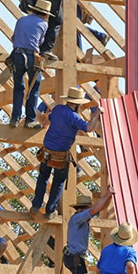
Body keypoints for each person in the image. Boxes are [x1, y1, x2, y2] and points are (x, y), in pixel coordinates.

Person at [28, 87, 100, 216]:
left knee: (43, 178)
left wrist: (43, 127)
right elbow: (89, 128)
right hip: (60, 155)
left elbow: (47, 122)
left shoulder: (57, 109)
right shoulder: (74, 117)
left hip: (47, 151)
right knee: (58, 182)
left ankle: (35, 205)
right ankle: (50, 211)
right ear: (78, 103)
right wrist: (98, 114)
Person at [55, 189, 114, 274]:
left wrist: (109, 196)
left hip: (72, 257)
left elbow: (100, 208)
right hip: (75, 257)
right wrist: (106, 194)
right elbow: (94, 209)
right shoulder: (78, 218)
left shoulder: (80, 218)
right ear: (84, 209)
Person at [9, 0, 53, 127]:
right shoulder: (43, 24)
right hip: (32, 56)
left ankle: (15, 118)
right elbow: (39, 42)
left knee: (18, 87)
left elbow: (14, 38)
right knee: (34, 88)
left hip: (17, 54)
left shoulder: (21, 20)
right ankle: (30, 120)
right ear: (45, 14)